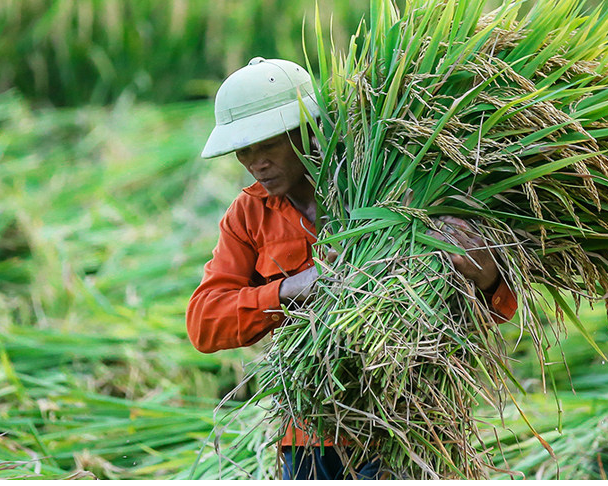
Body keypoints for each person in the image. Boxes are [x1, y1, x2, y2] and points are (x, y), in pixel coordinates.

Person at [185, 57, 515, 480]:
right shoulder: (248, 215)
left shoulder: (389, 186)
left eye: (267, 145)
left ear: (308, 130)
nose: (255, 163)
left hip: (408, 425)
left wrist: (486, 276)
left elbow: (494, 309)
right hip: (310, 431)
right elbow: (204, 322)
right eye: (243, 150)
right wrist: (290, 289)